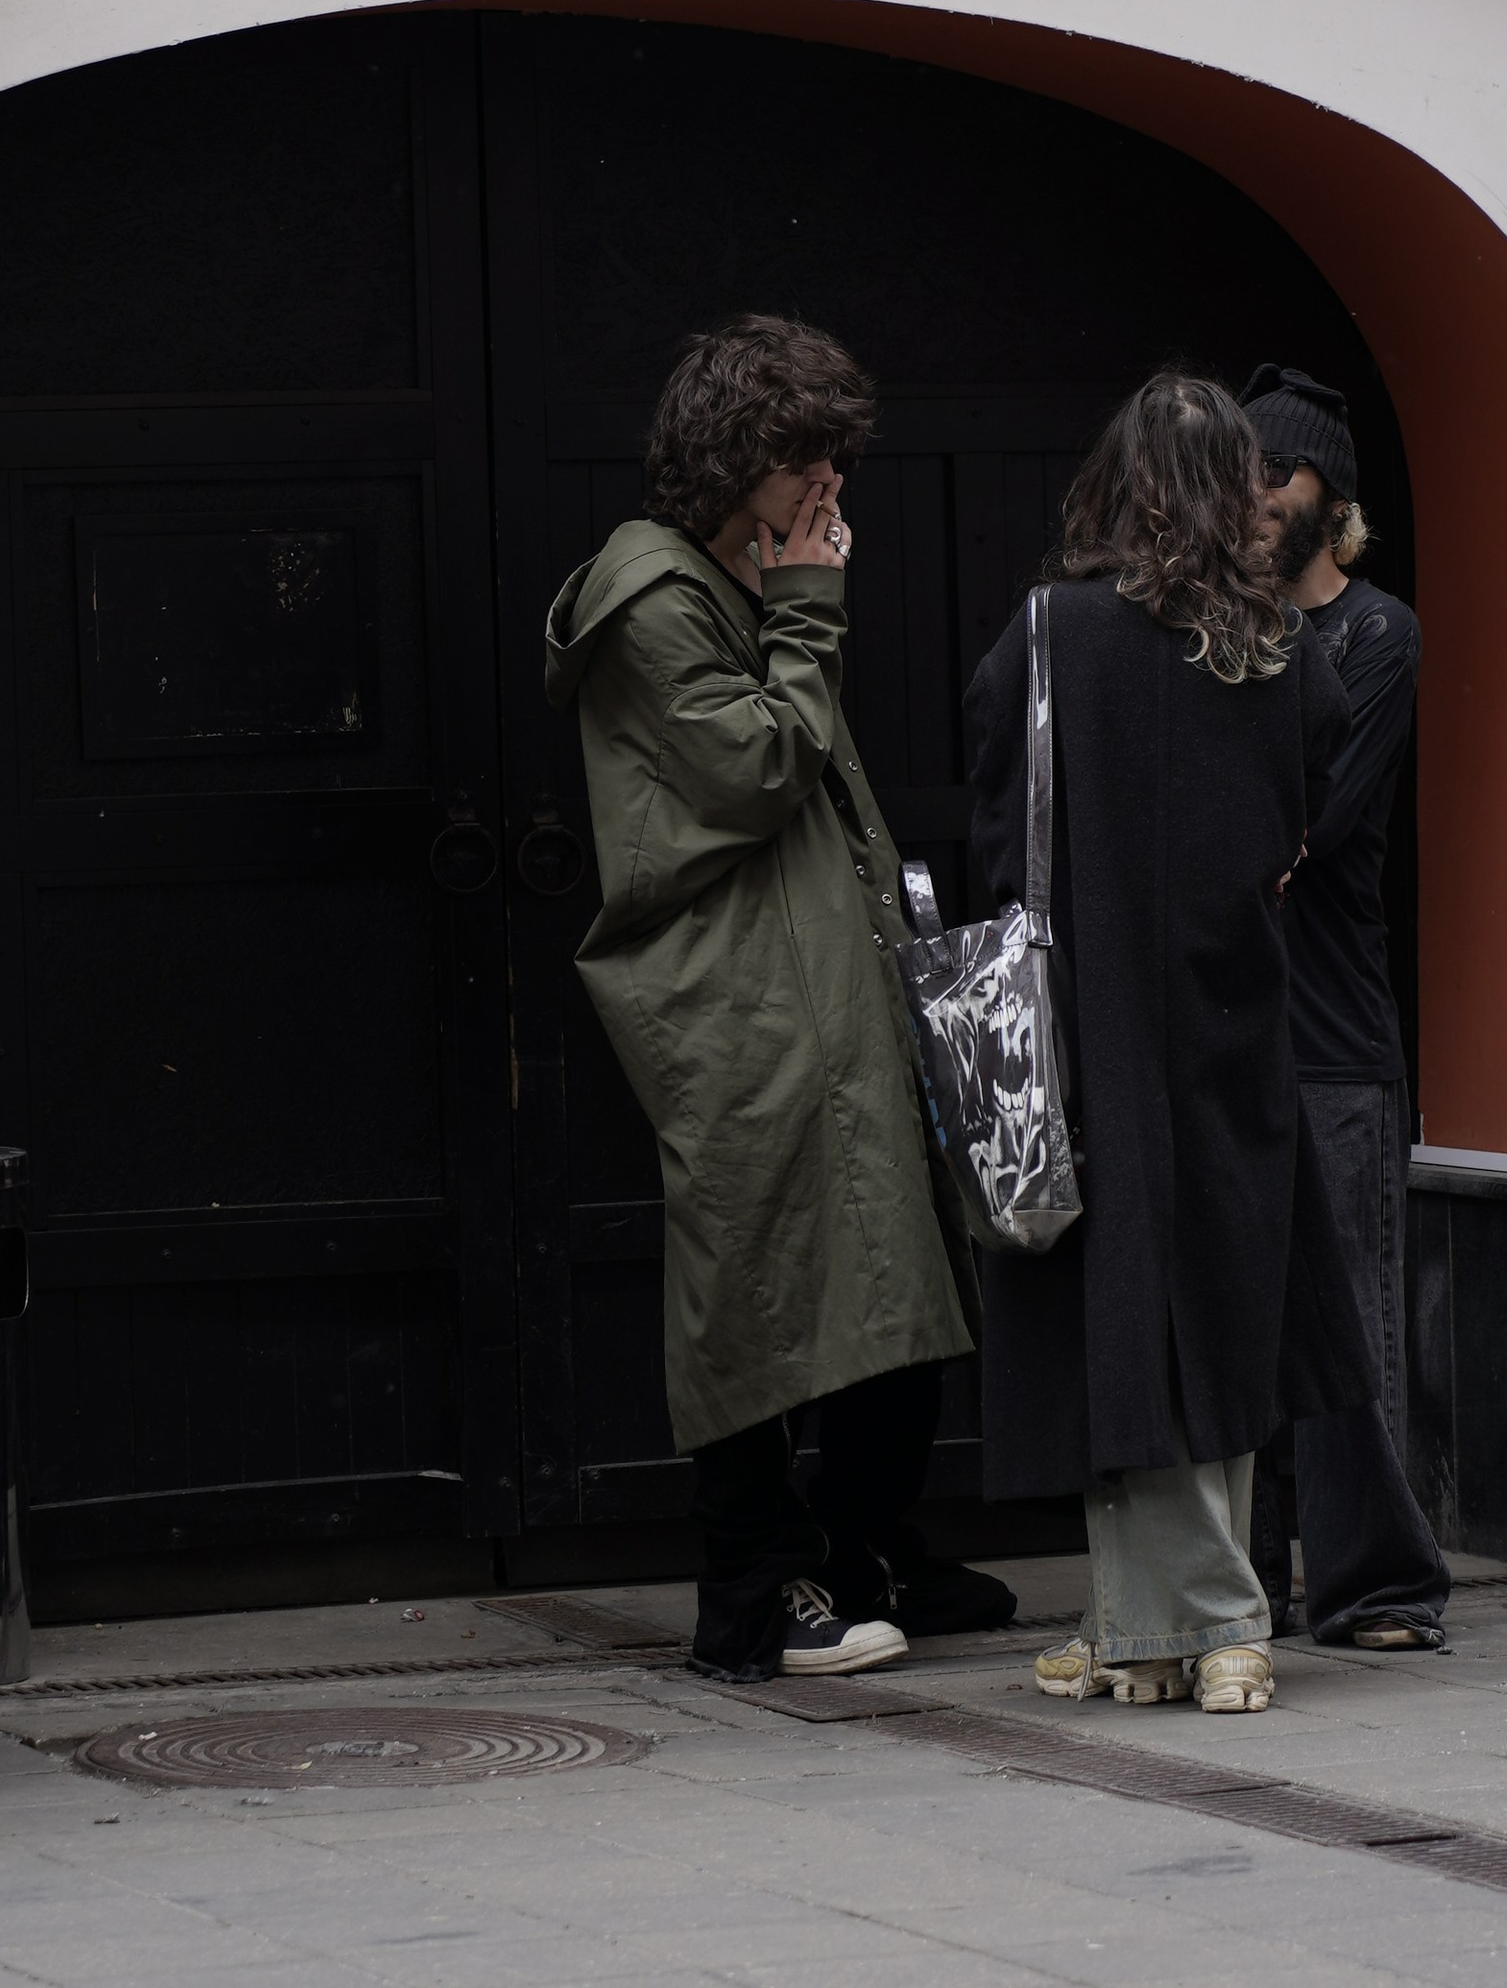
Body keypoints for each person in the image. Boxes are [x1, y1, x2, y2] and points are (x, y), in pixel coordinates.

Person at [546, 314, 1012, 1683]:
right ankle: (753, 1586)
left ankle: (863, 1548)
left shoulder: (732, 573)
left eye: (836, 459)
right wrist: (809, 605)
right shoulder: (654, 596)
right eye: (808, 457)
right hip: (737, 1000)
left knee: (894, 1258)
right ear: (734, 454)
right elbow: (755, 770)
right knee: (752, 1279)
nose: (831, 486)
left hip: (822, 978)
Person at [965, 372, 1376, 1715]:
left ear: (1121, 481)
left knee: (1128, 1317)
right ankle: (1143, 1627)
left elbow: (996, 801)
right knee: (1224, 1310)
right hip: (1235, 1013)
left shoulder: (1057, 629)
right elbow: (1311, 795)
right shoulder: (1280, 647)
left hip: (1092, 1028)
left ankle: (1213, 1621)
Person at [1242, 362, 1451, 1650]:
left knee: (1352, 1328)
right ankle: (1250, 1584)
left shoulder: (1377, 635)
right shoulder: (1221, 628)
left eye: (1280, 471)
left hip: (1333, 1039)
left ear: (1334, 495)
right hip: (1230, 1028)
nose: (1257, 494)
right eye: (1243, 473)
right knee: (1244, 1319)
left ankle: (1376, 1585)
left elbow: (1312, 823)